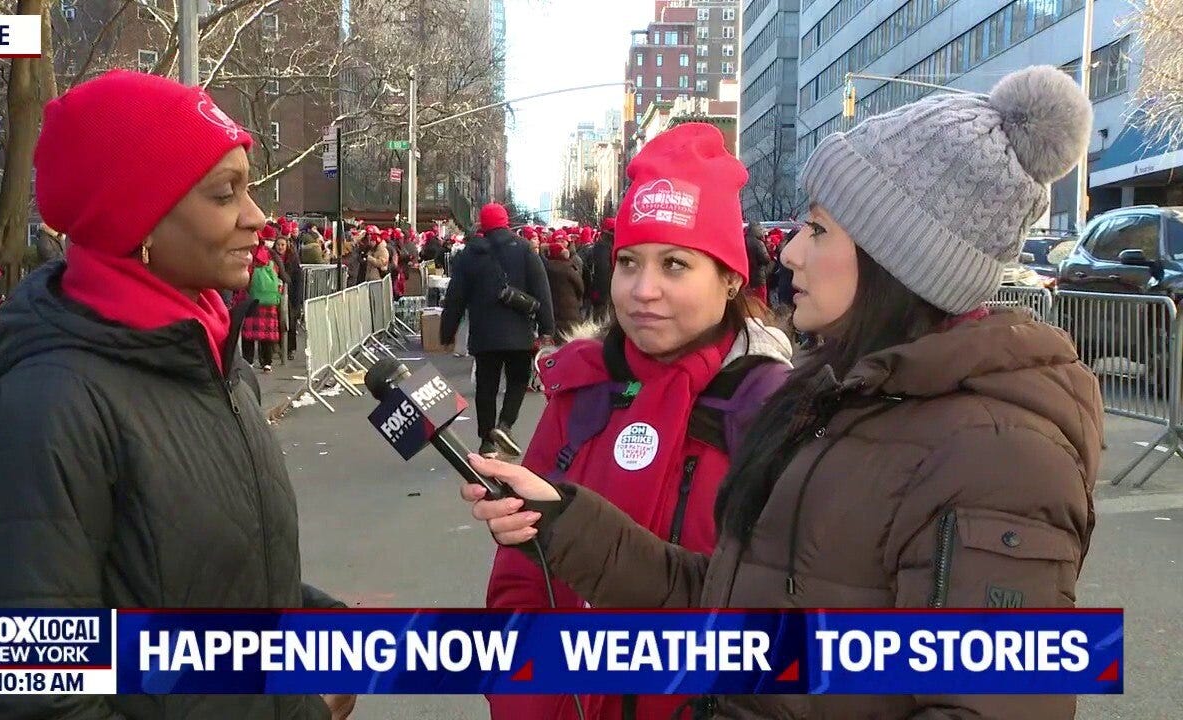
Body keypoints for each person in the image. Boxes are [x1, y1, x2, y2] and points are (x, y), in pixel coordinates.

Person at [463, 66, 1101, 720]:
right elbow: (725, 604)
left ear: (897, 259)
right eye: (631, 262)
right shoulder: (831, 402)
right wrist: (564, 519)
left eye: (819, 230)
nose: (789, 252)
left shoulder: (1003, 456)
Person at [0, 69, 354, 720]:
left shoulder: (214, 358)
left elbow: (196, 577)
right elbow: (30, 701)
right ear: (136, 218)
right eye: (225, 193)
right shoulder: (50, 405)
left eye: (249, 188)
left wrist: (315, 624)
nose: (258, 218)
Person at [484, 123, 793, 720]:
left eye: (675, 265)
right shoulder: (579, 390)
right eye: (628, 262)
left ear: (730, 278)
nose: (642, 290)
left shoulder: (771, 410)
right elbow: (521, 579)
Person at [441, 202, 555, 457]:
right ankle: (505, 424)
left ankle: (486, 440)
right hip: (519, 332)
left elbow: (455, 297)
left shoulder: (469, 255)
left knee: (486, 385)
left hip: (484, 333)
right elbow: (542, 291)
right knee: (518, 380)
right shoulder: (525, 250)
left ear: (483, 224)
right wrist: (548, 327)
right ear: (506, 222)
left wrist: (447, 333)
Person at [240, 231, 286, 372]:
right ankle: (267, 362)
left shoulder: (249, 256)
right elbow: (280, 272)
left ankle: (248, 361)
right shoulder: (270, 255)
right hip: (269, 301)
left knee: (248, 333)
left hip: (251, 298)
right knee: (267, 334)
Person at [542, 243, 584, 340]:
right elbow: (580, 286)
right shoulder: (568, 269)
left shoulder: (545, 268)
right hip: (570, 311)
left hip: (553, 311)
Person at [275, 234, 303, 361]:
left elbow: (298, 279)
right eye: (278, 245)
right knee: (277, 322)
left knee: (290, 323)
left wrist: (297, 299)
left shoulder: (293, 259)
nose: (280, 247)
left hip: (291, 294)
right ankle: (280, 347)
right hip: (276, 293)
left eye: (282, 245)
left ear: (287, 246)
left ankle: (291, 348)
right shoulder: (272, 258)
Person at [586, 217, 615, 321]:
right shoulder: (603, 249)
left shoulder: (602, 248)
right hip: (603, 295)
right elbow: (602, 273)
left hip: (602, 294)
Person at [743, 221, 774, 304]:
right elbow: (766, 259)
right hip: (758, 275)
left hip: (747, 275)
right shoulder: (758, 243)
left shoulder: (743, 240)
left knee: (749, 300)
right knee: (761, 300)